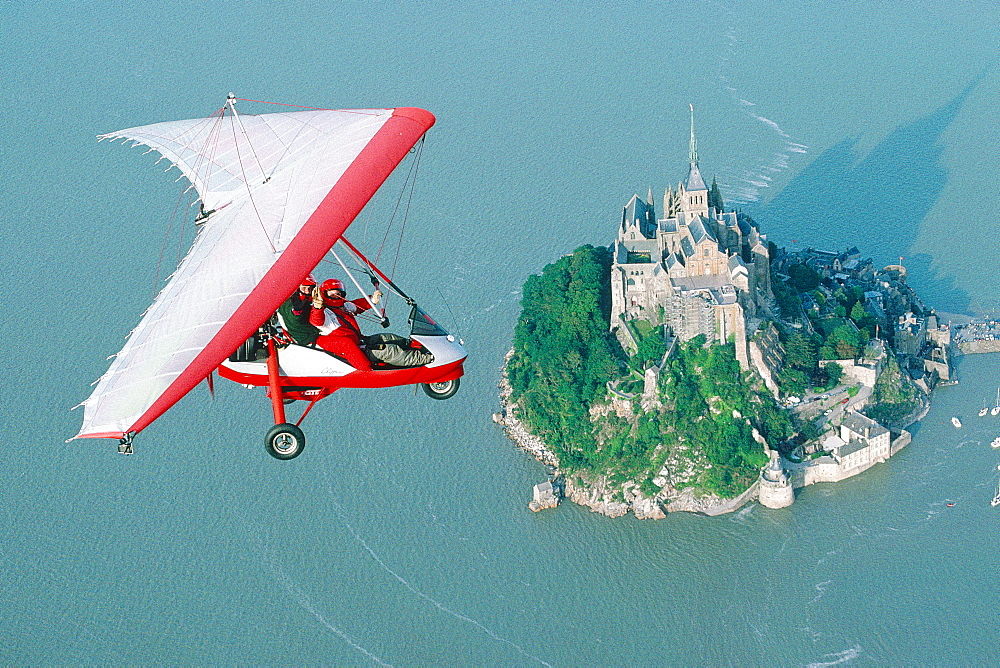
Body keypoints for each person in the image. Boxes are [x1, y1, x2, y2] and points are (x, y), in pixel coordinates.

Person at [310, 278, 433, 369]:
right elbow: (316, 320)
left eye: (339, 293)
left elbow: (357, 306)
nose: (337, 295)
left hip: (360, 341)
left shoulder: (343, 306)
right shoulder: (322, 312)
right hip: (353, 351)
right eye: (332, 293)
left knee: (388, 337)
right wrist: (317, 307)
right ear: (324, 294)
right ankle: (428, 359)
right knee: (388, 351)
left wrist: (372, 299)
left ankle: (418, 347)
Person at [276, 274, 321, 346]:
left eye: (310, 288)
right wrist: (297, 310)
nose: (307, 292)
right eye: (304, 288)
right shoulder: (290, 304)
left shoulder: (302, 303)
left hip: (312, 334)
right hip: (307, 339)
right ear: (297, 289)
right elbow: (294, 319)